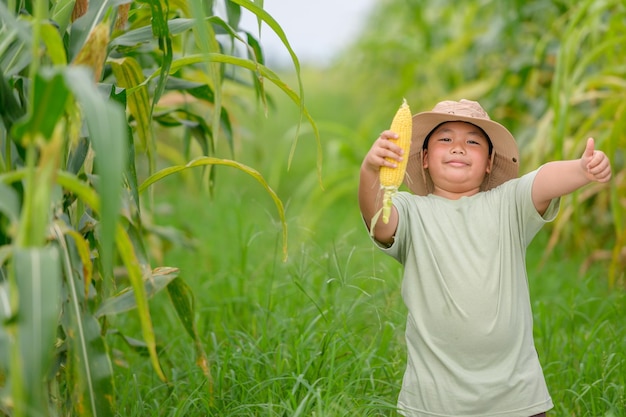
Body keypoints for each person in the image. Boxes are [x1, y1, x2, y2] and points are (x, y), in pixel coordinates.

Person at [358, 99, 612, 417]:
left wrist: (580, 169)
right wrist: (370, 170)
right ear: (424, 158)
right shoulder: (412, 210)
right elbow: (379, 223)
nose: (459, 147)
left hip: (516, 393)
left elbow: (543, 181)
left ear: (490, 162)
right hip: (436, 397)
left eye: (473, 141)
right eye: (445, 139)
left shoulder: (508, 204)